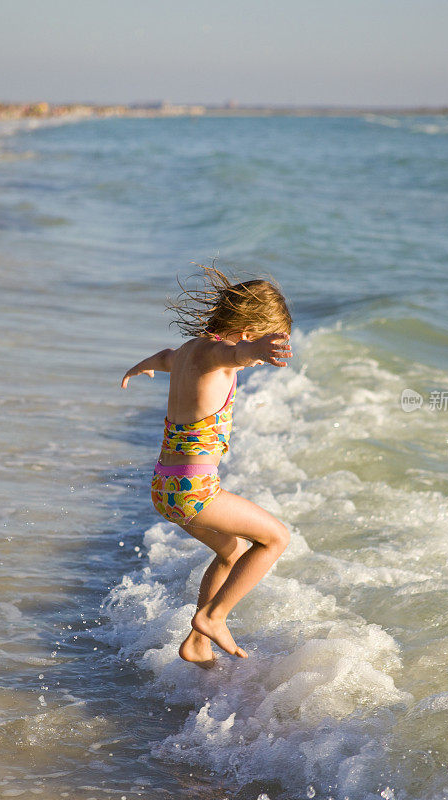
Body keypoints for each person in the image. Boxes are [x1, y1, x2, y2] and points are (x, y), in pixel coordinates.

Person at [121, 264, 293, 668]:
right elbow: (233, 353)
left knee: (231, 552)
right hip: (195, 491)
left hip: (165, 489)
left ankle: (197, 643)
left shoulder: (186, 353)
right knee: (275, 539)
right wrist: (254, 352)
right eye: (265, 345)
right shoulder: (220, 354)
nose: (257, 362)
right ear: (249, 332)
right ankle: (212, 617)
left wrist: (141, 365)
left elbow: (164, 357)